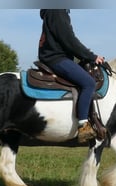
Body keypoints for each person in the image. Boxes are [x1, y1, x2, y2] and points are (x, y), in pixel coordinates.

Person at [38, 9, 105, 143]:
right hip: (56, 58)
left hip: (54, 56)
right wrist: (91, 56)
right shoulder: (57, 11)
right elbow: (69, 40)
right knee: (88, 83)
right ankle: (83, 126)